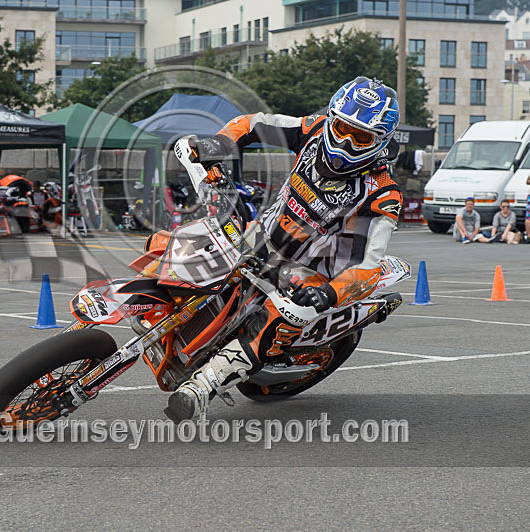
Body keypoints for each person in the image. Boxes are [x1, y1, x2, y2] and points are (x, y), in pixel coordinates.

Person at [165, 76, 403, 422]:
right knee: (187, 242)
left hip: (311, 272)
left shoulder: (382, 192)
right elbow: (254, 124)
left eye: (361, 137)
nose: (345, 142)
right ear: (331, 118)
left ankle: (203, 387)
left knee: (283, 314)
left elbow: (367, 265)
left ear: (380, 141)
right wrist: (220, 144)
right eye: (342, 128)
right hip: (263, 236)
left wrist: (328, 294)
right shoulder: (314, 130)